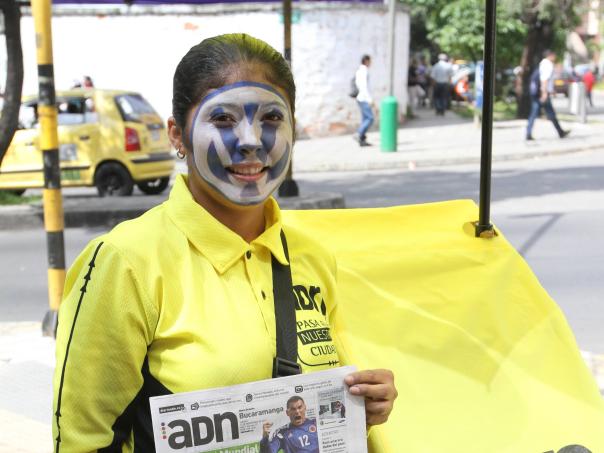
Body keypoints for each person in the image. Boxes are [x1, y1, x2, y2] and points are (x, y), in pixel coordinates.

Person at [52, 34, 397, 452]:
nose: (251, 140)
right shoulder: (124, 262)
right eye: (223, 119)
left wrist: (361, 409)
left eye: (272, 117)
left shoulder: (312, 257)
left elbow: (320, 411)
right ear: (177, 135)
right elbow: (82, 439)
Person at [526, 50, 570, 141]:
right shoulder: (548, 64)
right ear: (550, 55)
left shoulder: (543, 63)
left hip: (538, 92)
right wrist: (544, 93)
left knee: (536, 113)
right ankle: (560, 132)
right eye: (554, 55)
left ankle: (529, 133)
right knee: (548, 113)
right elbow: (544, 79)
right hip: (542, 93)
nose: (555, 57)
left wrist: (551, 90)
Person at [353, 54, 374, 147]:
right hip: (363, 97)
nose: (371, 63)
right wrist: (369, 99)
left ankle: (362, 139)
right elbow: (364, 87)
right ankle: (358, 133)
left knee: (365, 118)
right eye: (370, 61)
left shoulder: (359, 70)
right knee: (370, 118)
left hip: (360, 97)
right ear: (366, 61)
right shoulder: (364, 71)